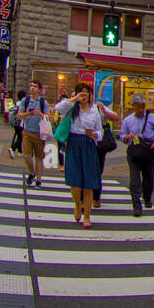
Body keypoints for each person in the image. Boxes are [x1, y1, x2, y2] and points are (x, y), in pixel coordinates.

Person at [56, 83, 104, 226]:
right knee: (75, 183)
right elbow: (58, 108)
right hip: (74, 144)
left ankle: (87, 216)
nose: (84, 95)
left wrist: (94, 134)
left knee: (88, 184)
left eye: (86, 93)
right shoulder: (72, 108)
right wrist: (74, 99)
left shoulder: (95, 110)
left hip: (88, 144)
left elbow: (100, 131)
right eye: (81, 92)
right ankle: (77, 204)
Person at [120, 93, 154, 216]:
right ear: (133, 106)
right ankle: (136, 204)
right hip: (134, 151)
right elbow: (122, 136)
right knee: (134, 178)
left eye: (142, 106)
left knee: (148, 176)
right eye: (138, 107)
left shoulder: (151, 117)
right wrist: (127, 137)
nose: (141, 110)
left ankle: (147, 197)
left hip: (149, 150)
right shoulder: (128, 120)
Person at [19, 81, 49, 186]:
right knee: (26, 155)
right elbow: (20, 115)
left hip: (39, 133)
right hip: (27, 131)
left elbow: (48, 117)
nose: (32, 88)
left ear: (39, 89)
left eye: (35, 86)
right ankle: (32, 172)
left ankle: (39, 179)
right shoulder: (25, 100)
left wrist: (40, 114)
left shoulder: (43, 102)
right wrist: (28, 113)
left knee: (39, 157)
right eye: (31, 86)